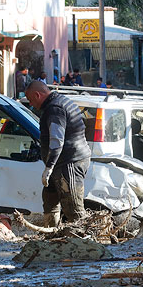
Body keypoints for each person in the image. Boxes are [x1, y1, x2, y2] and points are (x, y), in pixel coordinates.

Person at [24, 80, 91, 227]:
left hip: (69, 162)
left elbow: (56, 140)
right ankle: (52, 236)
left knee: (73, 208)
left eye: (30, 99)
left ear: (37, 94)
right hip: (65, 161)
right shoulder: (59, 102)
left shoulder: (54, 108)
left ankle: (85, 244)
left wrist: (49, 167)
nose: (30, 103)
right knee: (49, 199)